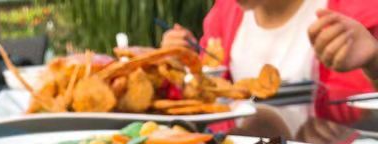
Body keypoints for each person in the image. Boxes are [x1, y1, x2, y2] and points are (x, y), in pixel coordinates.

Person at [161, 0, 378, 90]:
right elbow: (204, 90)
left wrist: (373, 61)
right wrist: (179, 65)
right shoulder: (225, 12)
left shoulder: (357, 8)